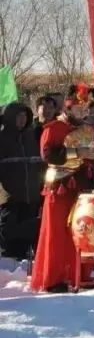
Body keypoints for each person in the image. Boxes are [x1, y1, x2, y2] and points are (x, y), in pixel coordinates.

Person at [29, 83, 94, 293]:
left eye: (84, 109)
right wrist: (77, 152)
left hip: (81, 188)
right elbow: (49, 155)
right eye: (79, 109)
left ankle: (79, 274)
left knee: (81, 231)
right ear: (68, 108)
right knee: (57, 233)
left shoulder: (87, 129)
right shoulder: (54, 128)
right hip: (59, 187)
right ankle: (54, 278)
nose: (83, 112)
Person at [0, 103, 43, 260]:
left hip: (31, 194)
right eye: (18, 116)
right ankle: (8, 260)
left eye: (25, 116)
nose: (22, 120)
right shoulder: (2, 138)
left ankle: (25, 256)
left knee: (29, 227)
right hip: (9, 195)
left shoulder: (31, 136)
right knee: (8, 229)